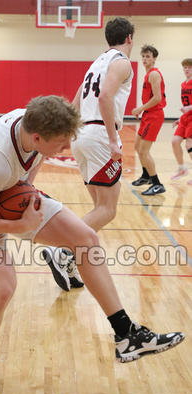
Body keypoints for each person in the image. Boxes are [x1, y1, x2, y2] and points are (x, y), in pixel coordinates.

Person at [0, 94, 184, 394]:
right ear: (37, 137)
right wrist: (23, 225)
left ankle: (127, 334)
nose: (65, 150)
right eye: (61, 144)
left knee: (87, 239)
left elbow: (33, 160)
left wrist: (27, 192)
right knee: (3, 290)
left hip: (11, 192)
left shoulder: (32, 122)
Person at [42, 17, 134, 291]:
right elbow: (105, 97)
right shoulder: (122, 63)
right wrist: (112, 139)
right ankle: (65, 252)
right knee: (108, 210)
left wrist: (68, 137)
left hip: (83, 136)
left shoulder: (96, 64)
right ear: (129, 37)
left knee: (99, 208)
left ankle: (70, 260)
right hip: (99, 138)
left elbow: (75, 103)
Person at [131, 45, 166, 195]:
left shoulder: (154, 74)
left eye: (148, 56)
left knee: (144, 151)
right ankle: (146, 176)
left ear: (154, 59)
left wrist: (140, 108)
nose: (145, 59)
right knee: (138, 147)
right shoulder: (148, 74)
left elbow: (157, 98)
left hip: (154, 115)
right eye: (143, 56)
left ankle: (157, 184)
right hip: (148, 114)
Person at [170, 58, 192, 185]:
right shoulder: (183, 84)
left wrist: (189, 108)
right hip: (185, 118)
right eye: (185, 67)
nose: (187, 69)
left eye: (189, 67)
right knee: (175, 142)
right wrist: (180, 118)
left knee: (189, 144)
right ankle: (182, 168)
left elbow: (189, 105)